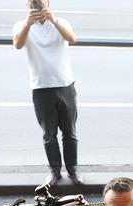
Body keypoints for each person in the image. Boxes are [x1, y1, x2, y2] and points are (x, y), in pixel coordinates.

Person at [12, 0, 81, 187]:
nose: (38, 8)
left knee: (70, 132)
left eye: (41, 3)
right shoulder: (21, 25)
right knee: (49, 134)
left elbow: (72, 39)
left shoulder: (61, 22)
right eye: (33, 4)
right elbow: (18, 44)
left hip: (65, 84)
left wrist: (53, 20)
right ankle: (55, 170)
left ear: (48, 3)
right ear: (27, 5)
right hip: (41, 87)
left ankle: (73, 169)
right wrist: (28, 23)